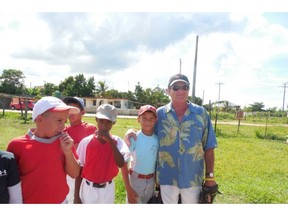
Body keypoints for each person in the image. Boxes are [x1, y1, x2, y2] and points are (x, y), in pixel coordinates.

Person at [126, 73, 218, 204]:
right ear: (168, 91)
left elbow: (209, 146)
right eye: (175, 87)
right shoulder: (159, 114)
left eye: (184, 87)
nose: (180, 91)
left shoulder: (201, 114)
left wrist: (210, 177)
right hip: (167, 177)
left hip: (192, 178)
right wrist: (131, 131)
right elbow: (147, 131)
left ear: (188, 89)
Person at [6, 96, 81, 204]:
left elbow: (74, 174)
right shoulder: (17, 145)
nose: (63, 126)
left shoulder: (64, 142)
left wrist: (68, 152)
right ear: (40, 119)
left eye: (65, 121)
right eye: (59, 121)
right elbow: (10, 181)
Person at [74, 104, 130, 204]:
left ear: (114, 122)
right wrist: (76, 196)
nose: (104, 124)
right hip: (89, 188)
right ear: (96, 120)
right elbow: (79, 170)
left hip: (108, 188)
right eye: (101, 120)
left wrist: (110, 141)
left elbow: (121, 164)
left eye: (108, 121)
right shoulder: (86, 142)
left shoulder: (118, 142)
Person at [121, 105, 159, 204]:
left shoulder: (157, 139)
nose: (148, 122)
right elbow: (123, 164)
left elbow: (154, 163)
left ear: (155, 120)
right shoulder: (133, 138)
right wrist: (128, 189)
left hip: (151, 182)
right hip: (135, 181)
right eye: (144, 118)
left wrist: (155, 184)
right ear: (138, 119)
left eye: (151, 119)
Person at [63, 96, 97, 204]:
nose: (71, 113)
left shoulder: (90, 128)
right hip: (69, 174)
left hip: (86, 174)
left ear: (83, 112)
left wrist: (75, 146)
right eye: (69, 110)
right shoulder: (63, 129)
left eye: (75, 110)